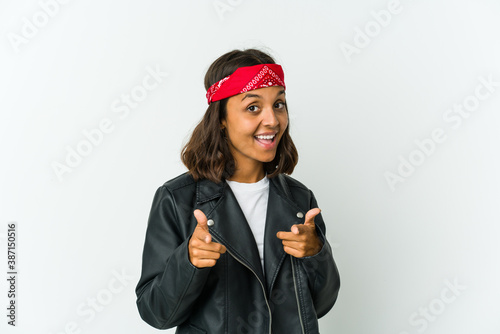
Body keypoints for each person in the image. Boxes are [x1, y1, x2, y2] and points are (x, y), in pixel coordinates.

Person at [135, 48, 340, 334]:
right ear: (221, 117)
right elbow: (156, 313)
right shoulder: (177, 199)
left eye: (279, 104)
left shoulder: (299, 199)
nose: (272, 120)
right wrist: (190, 261)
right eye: (253, 107)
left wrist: (315, 253)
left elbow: (320, 305)